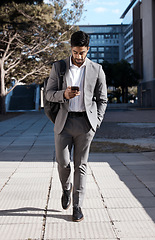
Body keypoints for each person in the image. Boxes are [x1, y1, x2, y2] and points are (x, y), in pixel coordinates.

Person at [46, 31, 107, 222]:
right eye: (75, 52)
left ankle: (77, 206)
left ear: (88, 49)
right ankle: (66, 188)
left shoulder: (97, 69)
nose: (78, 56)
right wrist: (63, 95)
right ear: (70, 48)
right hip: (63, 123)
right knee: (63, 163)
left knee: (81, 165)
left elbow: (102, 99)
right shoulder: (59, 67)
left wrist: (95, 122)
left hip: (85, 124)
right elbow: (48, 94)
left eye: (82, 52)